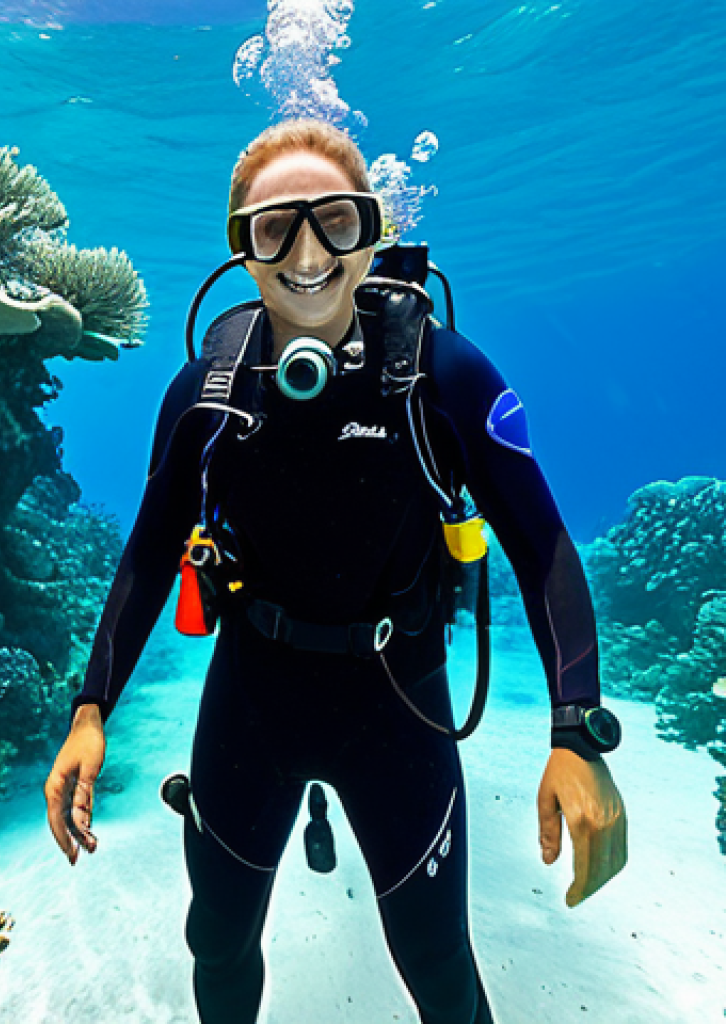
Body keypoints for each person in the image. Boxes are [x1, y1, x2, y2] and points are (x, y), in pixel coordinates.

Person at [44, 119, 628, 1024]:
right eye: (275, 227)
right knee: (218, 943)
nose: (308, 253)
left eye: (339, 222)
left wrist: (575, 732)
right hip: (253, 699)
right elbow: (149, 553)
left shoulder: (442, 374)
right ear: (241, 250)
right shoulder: (206, 393)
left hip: (400, 702)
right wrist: (90, 710)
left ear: (373, 234)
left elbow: (542, 544)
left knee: (438, 962)